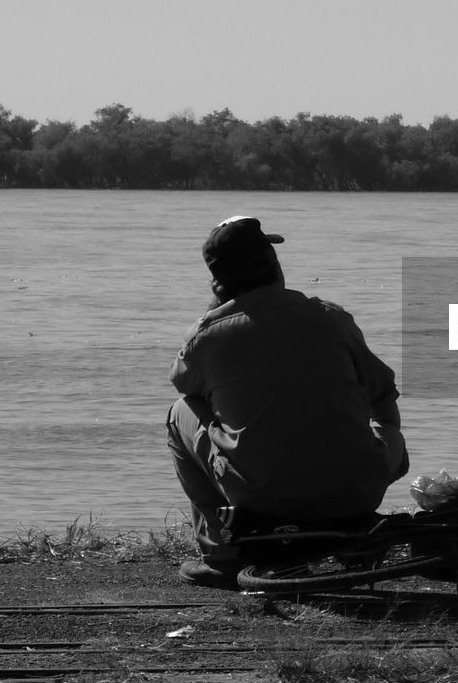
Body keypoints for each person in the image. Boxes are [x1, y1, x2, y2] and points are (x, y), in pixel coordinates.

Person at [167, 215, 408, 588]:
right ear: (275, 266)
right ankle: (353, 526)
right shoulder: (331, 319)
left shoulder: (207, 336)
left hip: (265, 497)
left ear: (218, 279)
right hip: (359, 489)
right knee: (380, 416)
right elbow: (383, 391)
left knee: (179, 412)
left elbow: (186, 385)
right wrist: (384, 439)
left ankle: (221, 554)